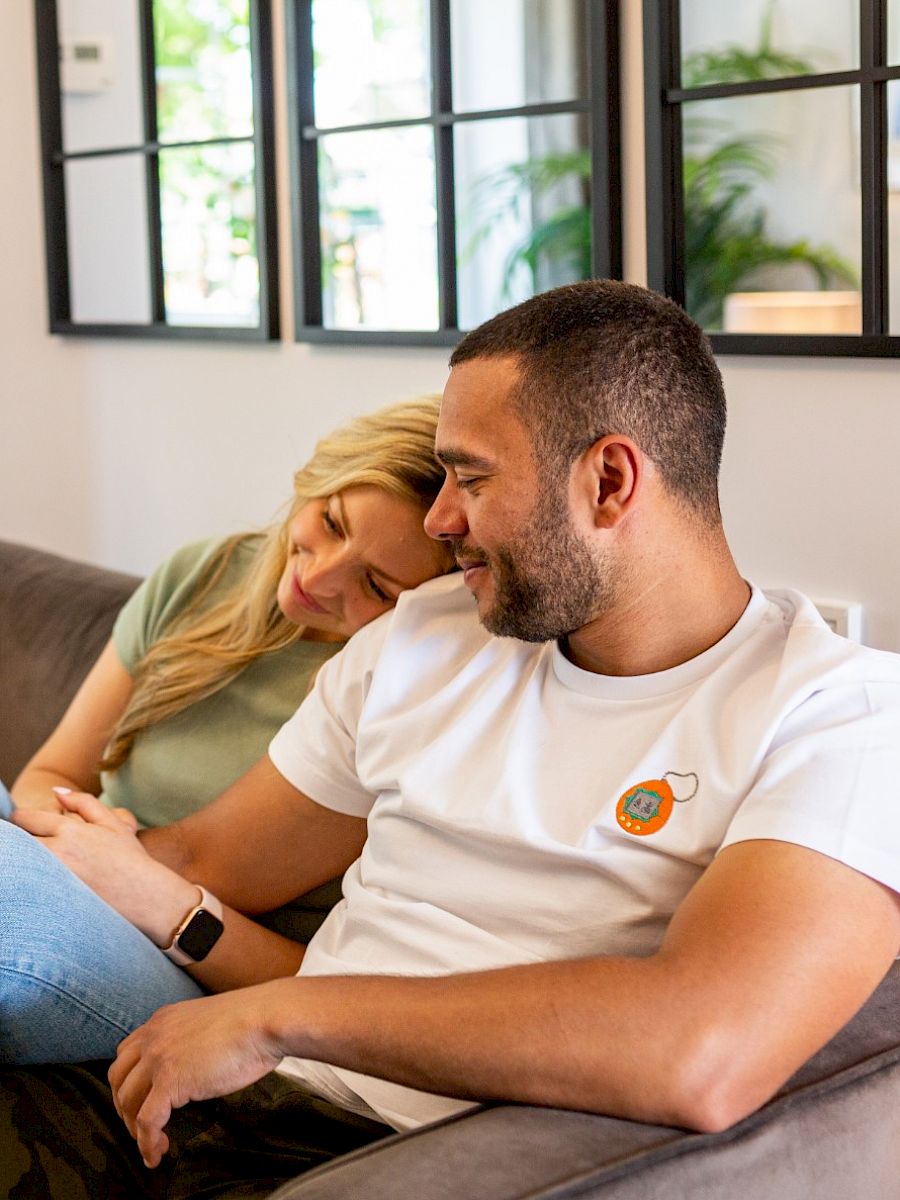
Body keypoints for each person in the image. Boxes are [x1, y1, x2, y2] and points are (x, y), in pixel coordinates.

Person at [3, 280, 900, 1200]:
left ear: (610, 480)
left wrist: (286, 1014)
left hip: (373, 1145)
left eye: (471, 478)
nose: (440, 520)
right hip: (220, 1089)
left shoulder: (842, 714)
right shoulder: (428, 635)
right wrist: (55, 851)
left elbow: (703, 1048)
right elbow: (204, 857)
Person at [0, 396, 453, 1063]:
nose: (320, 574)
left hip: (201, 966)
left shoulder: (392, 693)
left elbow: (332, 982)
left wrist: (128, 876)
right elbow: (53, 773)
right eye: (330, 521)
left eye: (377, 588)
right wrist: (80, 843)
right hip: (77, 870)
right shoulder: (205, 574)